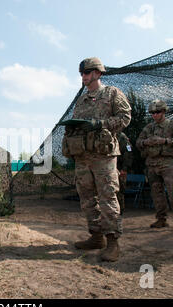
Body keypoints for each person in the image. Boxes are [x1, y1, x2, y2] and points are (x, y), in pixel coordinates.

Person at [62, 57, 131, 262]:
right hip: (83, 157)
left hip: (104, 156)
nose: (83, 76)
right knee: (87, 198)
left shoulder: (112, 93)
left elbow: (125, 118)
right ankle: (96, 236)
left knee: (108, 197)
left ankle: (113, 243)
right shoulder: (81, 100)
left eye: (87, 72)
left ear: (97, 73)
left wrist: (99, 124)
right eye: (81, 73)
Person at [136, 100, 173, 232]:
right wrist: (146, 142)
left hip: (169, 163)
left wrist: (164, 141)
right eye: (152, 113)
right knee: (156, 193)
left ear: (164, 112)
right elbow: (138, 142)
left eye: (157, 112)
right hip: (152, 163)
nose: (155, 115)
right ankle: (161, 219)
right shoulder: (149, 128)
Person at [117, 132, 134, 214]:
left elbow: (129, 152)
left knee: (119, 190)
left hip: (119, 169)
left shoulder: (122, 137)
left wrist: (125, 168)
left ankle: (120, 210)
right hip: (107, 168)